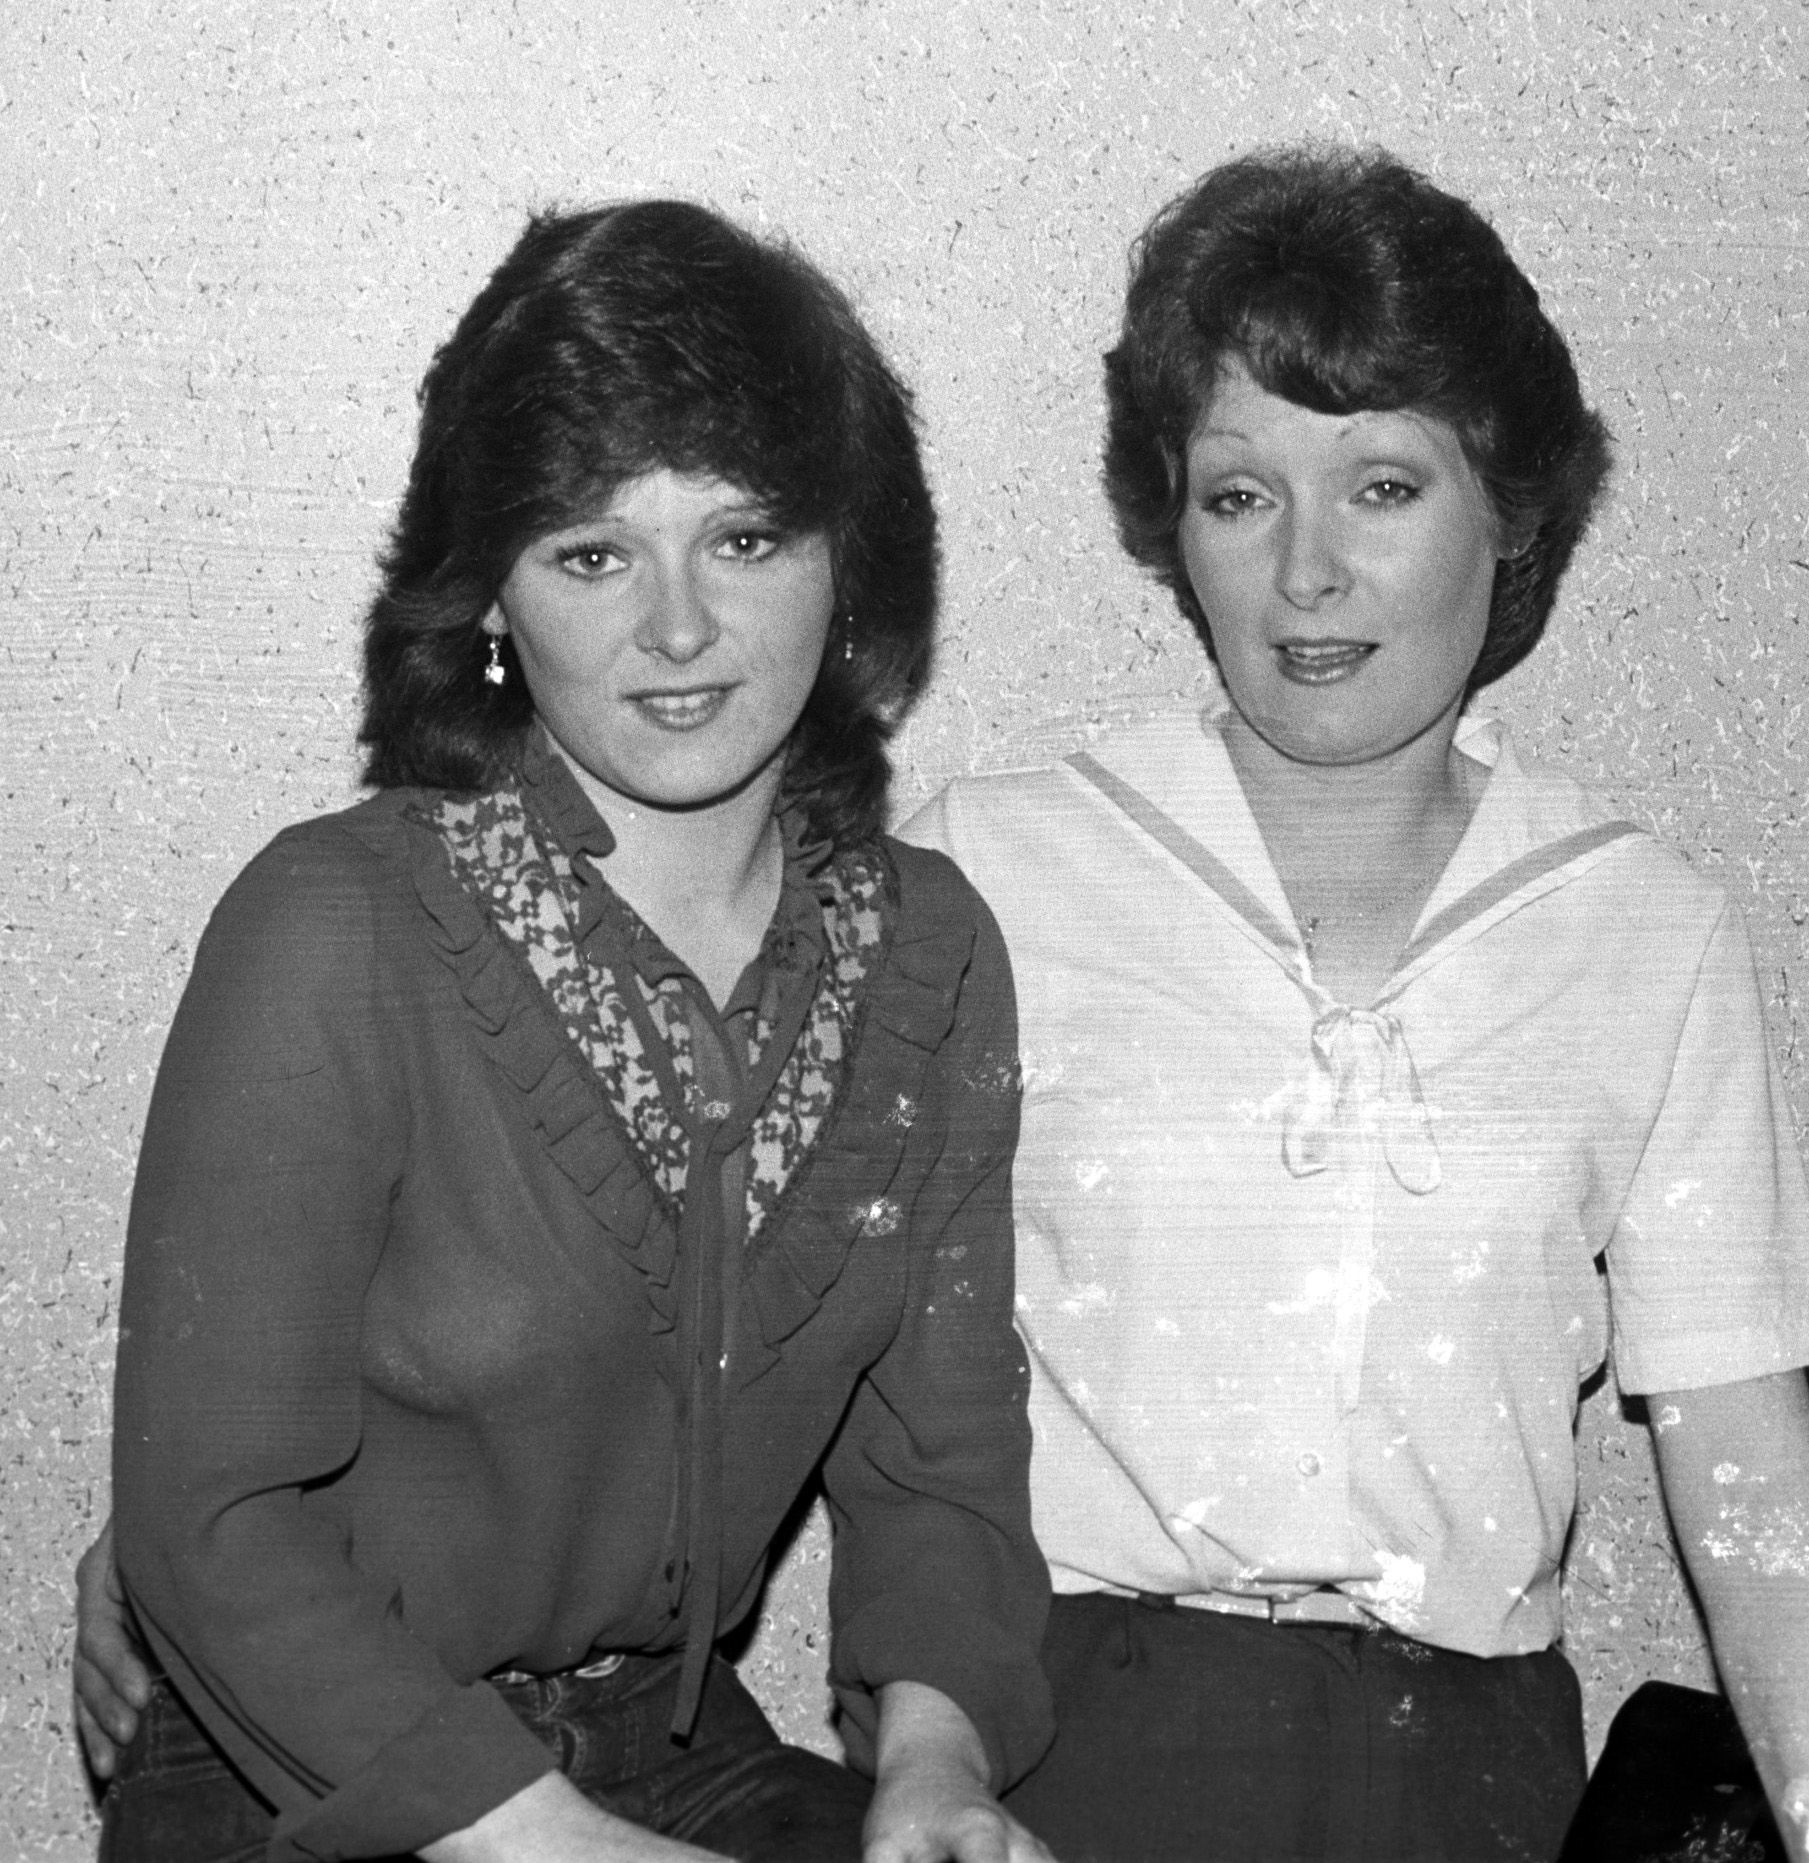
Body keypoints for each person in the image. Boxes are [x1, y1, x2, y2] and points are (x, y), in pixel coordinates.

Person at [75, 199, 1054, 1863]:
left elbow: (937, 1469)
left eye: (743, 538)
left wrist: (935, 1768)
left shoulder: (929, 953)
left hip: (677, 1753)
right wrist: (546, 1841)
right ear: (488, 598)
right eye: (592, 552)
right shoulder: (338, 923)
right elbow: (209, 1522)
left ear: (849, 559)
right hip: (311, 1767)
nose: (675, 628)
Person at [895, 147, 1809, 1861]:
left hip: (1467, 1766)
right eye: (1240, 494)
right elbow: (865, 1381)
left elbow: (1747, 1461)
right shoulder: (997, 866)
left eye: (1381, 487)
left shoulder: (1644, 931)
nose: (1303, 575)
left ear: (1510, 516)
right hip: (1062, 1744)